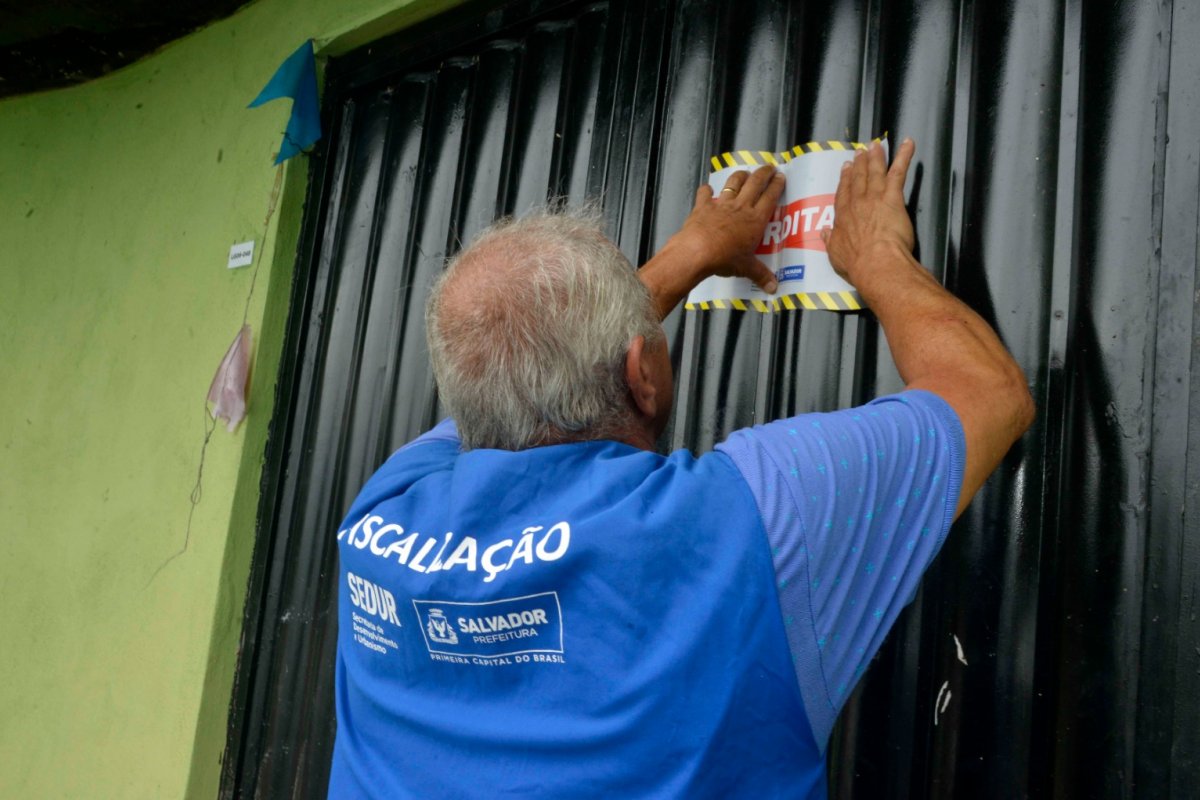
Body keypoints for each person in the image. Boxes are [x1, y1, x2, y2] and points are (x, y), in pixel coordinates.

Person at [327, 139, 1034, 799]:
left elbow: (523, 368)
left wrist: (689, 254)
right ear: (643, 375)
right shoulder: (742, 523)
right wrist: (879, 257)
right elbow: (986, 394)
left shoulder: (382, 508)